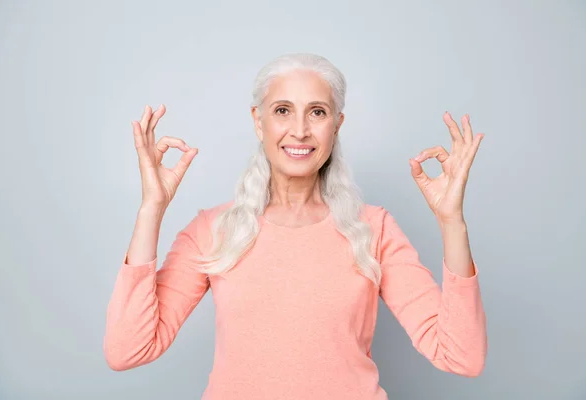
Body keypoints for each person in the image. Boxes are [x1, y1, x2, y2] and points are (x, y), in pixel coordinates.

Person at [103, 53, 487, 400]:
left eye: (317, 112)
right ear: (258, 121)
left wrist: (452, 222)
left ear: (336, 124)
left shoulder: (374, 229)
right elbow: (127, 350)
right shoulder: (213, 229)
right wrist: (151, 209)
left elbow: (462, 356)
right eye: (283, 110)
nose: (300, 130)